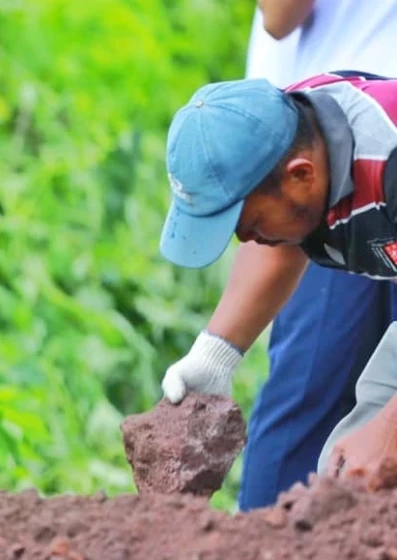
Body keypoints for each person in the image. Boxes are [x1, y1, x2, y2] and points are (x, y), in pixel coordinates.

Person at [163, 0, 397, 510]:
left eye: (249, 226)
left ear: (301, 176)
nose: (247, 242)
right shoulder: (302, 133)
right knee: (345, 464)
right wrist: (215, 355)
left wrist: (389, 435)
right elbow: (282, 242)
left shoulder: (389, 157)